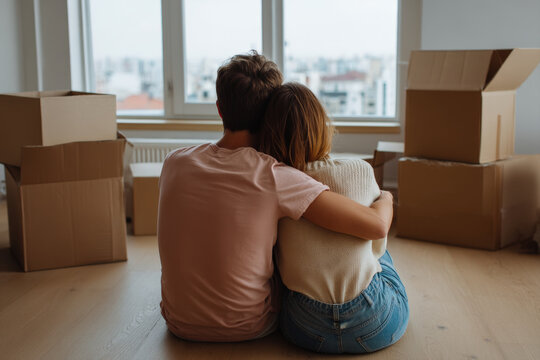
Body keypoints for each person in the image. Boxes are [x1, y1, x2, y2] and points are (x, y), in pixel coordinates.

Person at [158, 51, 393, 342]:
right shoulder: (275, 176)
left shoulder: (173, 162)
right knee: (375, 252)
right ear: (272, 111)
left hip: (178, 322)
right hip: (249, 326)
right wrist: (385, 197)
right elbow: (375, 225)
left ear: (219, 108)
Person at [259, 82, 408, 353]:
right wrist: (386, 198)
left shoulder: (271, 182)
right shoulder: (360, 170)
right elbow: (377, 244)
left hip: (305, 327)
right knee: (382, 257)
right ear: (321, 126)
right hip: (372, 322)